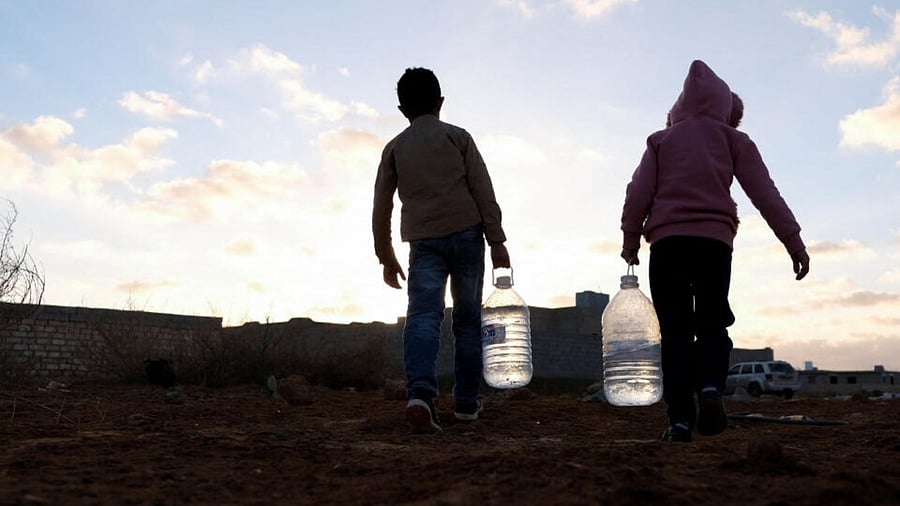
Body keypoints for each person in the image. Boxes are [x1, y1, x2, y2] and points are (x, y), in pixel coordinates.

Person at [619, 60, 810, 443]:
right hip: (714, 244)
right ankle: (709, 389)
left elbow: (637, 192)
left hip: (668, 244)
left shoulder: (661, 140)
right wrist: (793, 242)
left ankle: (678, 421)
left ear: (680, 105)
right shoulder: (734, 140)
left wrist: (630, 239)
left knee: (674, 332)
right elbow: (765, 194)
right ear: (726, 108)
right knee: (712, 322)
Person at [372, 67, 511, 433]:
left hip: (424, 243)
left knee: (423, 317)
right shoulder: (458, 137)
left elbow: (381, 206)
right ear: (441, 102)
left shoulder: (395, 148)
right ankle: (466, 403)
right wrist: (497, 242)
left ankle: (420, 394)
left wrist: (385, 254)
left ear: (402, 110)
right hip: (467, 236)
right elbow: (483, 190)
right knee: (467, 322)